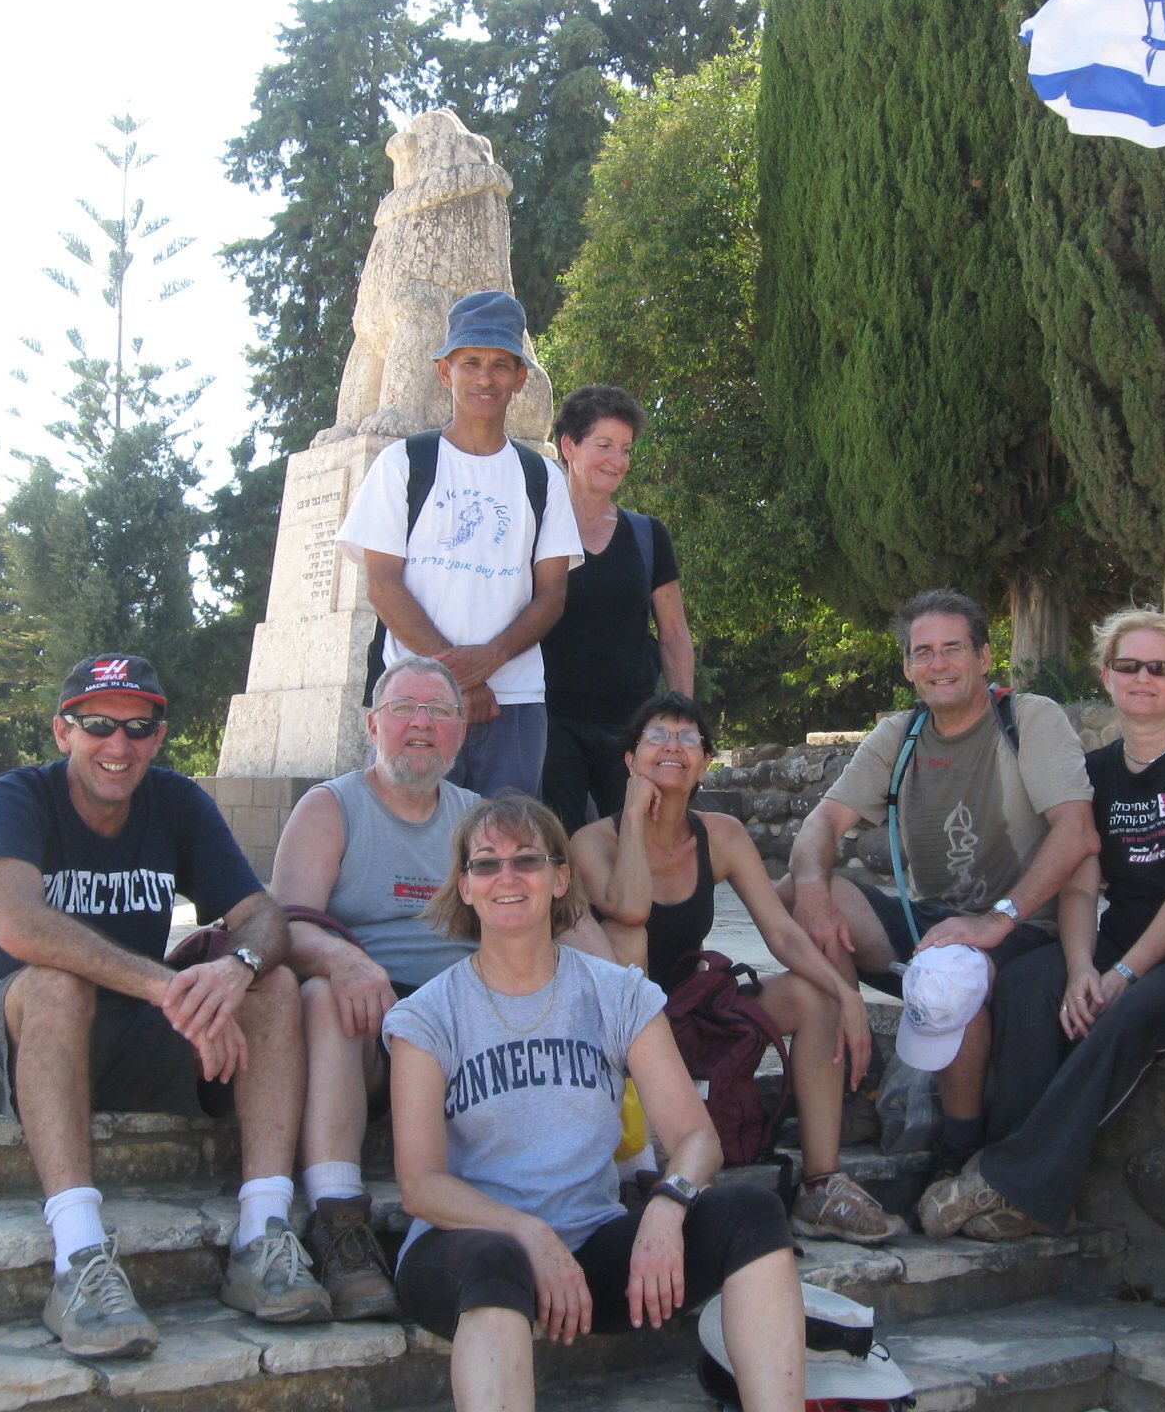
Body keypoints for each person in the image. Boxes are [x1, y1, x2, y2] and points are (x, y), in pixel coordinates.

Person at [0, 654, 322, 1360]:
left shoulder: (177, 802)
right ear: (63, 733)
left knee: (275, 990)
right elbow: (19, 926)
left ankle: (262, 1237)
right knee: (57, 984)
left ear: (159, 736)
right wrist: (166, 987)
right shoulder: (16, 797)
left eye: (139, 728)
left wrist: (236, 969)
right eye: (98, 725)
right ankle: (79, 1261)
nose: (119, 745)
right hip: (1, 1031)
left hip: (121, 1032)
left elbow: (263, 916)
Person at [385, 794, 807, 1412]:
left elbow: (698, 1140)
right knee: (499, 1261)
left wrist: (667, 1207)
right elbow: (420, 1185)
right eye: (486, 864)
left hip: (591, 1247)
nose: (506, 877)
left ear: (560, 878)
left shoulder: (617, 994)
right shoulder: (426, 1015)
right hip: (466, 1252)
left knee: (750, 1212)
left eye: (526, 860)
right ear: (465, 887)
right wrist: (529, 1234)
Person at [270, 656, 614, 1320]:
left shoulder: (481, 819)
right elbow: (284, 926)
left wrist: (626, 994)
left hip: (466, 1022)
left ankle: (614, 1180)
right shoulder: (330, 808)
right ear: (373, 724)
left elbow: (562, 915)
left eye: (439, 713)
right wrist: (345, 960)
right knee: (321, 996)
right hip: (373, 1017)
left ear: (461, 734)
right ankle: (340, 1222)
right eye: (404, 709)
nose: (421, 725)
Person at [918, 609, 1165, 1244]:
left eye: (1160, 668)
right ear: (1106, 676)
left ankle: (1013, 1183)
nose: (1143, 679)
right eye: (1129, 666)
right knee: (1028, 983)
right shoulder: (1097, 772)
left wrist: (1124, 974)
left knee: (1126, 1014)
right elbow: (1080, 882)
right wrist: (1081, 968)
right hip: (1124, 934)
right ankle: (999, 1166)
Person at [780, 588, 1099, 1176]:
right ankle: (846, 1063)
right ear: (906, 667)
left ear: (984, 657)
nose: (938, 664)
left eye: (953, 648)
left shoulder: (1029, 719)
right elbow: (822, 822)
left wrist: (995, 919)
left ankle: (959, 1147)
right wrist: (816, 889)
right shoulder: (900, 735)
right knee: (792, 893)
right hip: (931, 917)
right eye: (922, 653)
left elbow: (1076, 832)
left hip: (1024, 923)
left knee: (955, 969)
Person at [571, 692, 900, 1244]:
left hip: (691, 1011)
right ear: (630, 760)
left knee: (814, 996)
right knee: (625, 937)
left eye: (688, 738)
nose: (672, 746)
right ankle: (646, 1154)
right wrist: (633, 814)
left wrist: (845, 995)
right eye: (656, 737)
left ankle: (821, 1183)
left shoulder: (720, 835)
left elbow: (782, 931)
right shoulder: (592, 840)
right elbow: (629, 908)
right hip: (620, 1032)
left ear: (703, 763)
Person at [337, 290, 583, 798]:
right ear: (445, 372)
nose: (485, 377)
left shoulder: (543, 478)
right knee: (407, 854)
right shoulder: (403, 464)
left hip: (514, 701)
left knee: (506, 857)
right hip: (416, 701)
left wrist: (489, 660)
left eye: (500, 364)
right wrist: (459, 680)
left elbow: (552, 595)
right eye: (470, 362)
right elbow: (383, 585)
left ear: (520, 378)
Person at [539, 385, 695, 834]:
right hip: (551, 722)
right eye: (604, 445)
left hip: (629, 725)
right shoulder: (534, 530)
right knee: (559, 847)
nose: (618, 460)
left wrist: (682, 718)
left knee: (634, 845)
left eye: (625, 449)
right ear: (569, 446)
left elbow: (674, 632)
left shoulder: (648, 536)